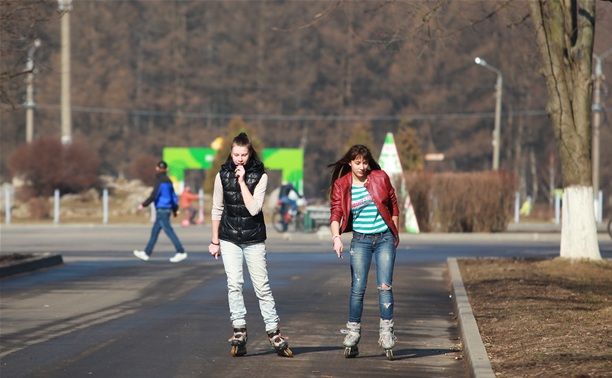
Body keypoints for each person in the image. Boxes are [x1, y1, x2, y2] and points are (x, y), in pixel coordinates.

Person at [208, 132, 292, 358]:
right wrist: (215, 240)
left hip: (253, 239)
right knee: (234, 283)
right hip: (228, 238)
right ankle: (239, 329)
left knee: (261, 287)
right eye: (236, 154)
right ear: (231, 153)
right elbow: (217, 208)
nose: (239, 159)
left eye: (244, 155)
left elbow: (254, 208)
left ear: (249, 153)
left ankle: (273, 331)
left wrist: (243, 181)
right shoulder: (222, 175)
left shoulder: (260, 176)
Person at [327, 144, 400, 360]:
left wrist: (395, 232)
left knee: (384, 286)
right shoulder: (342, 185)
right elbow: (336, 213)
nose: (362, 166)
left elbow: (394, 204)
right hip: (360, 241)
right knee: (358, 288)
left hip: (384, 238)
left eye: (365, 162)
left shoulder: (380, 177)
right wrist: (336, 238)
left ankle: (386, 332)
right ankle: (353, 332)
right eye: (357, 162)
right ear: (350, 162)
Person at [133, 160, 188, 263]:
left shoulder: (159, 181)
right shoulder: (169, 181)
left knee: (169, 230)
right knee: (155, 231)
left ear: (157, 168)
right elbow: (173, 197)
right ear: (166, 169)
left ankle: (180, 251)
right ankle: (146, 253)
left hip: (162, 209)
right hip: (166, 209)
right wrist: (175, 210)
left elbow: (154, 195)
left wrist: (144, 205)